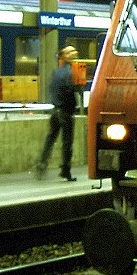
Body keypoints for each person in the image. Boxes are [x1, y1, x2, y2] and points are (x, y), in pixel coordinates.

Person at [34, 45, 80, 182]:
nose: (75, 52)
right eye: (70, 51)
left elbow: (52, 88)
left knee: (50, 139)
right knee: (67, 143)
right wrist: (74, 98)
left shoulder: (56, 72)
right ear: (64, 56)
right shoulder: (70, 72)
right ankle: (65, 170)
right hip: (66, 112)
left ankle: (41, 164)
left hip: (55, 111)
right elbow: (69, 90)